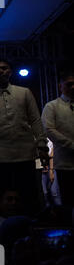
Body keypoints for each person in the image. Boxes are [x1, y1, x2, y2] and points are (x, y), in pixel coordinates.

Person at [0, 59, 49, 215]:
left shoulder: (24, 92)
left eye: (4, 68)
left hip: (25, 154)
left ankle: (29, 231)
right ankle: (0, 230)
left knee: (28, 195)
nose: (1, 72)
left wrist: (42, 145)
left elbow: (35, 120)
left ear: (10, 71)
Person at [42, 71, 74, 206]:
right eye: (69, 84)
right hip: (64, 162)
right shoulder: (52, 106)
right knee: (68, 198)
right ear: (60, 86)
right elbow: (49, 130)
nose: (72, 87)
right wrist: (71, 144)